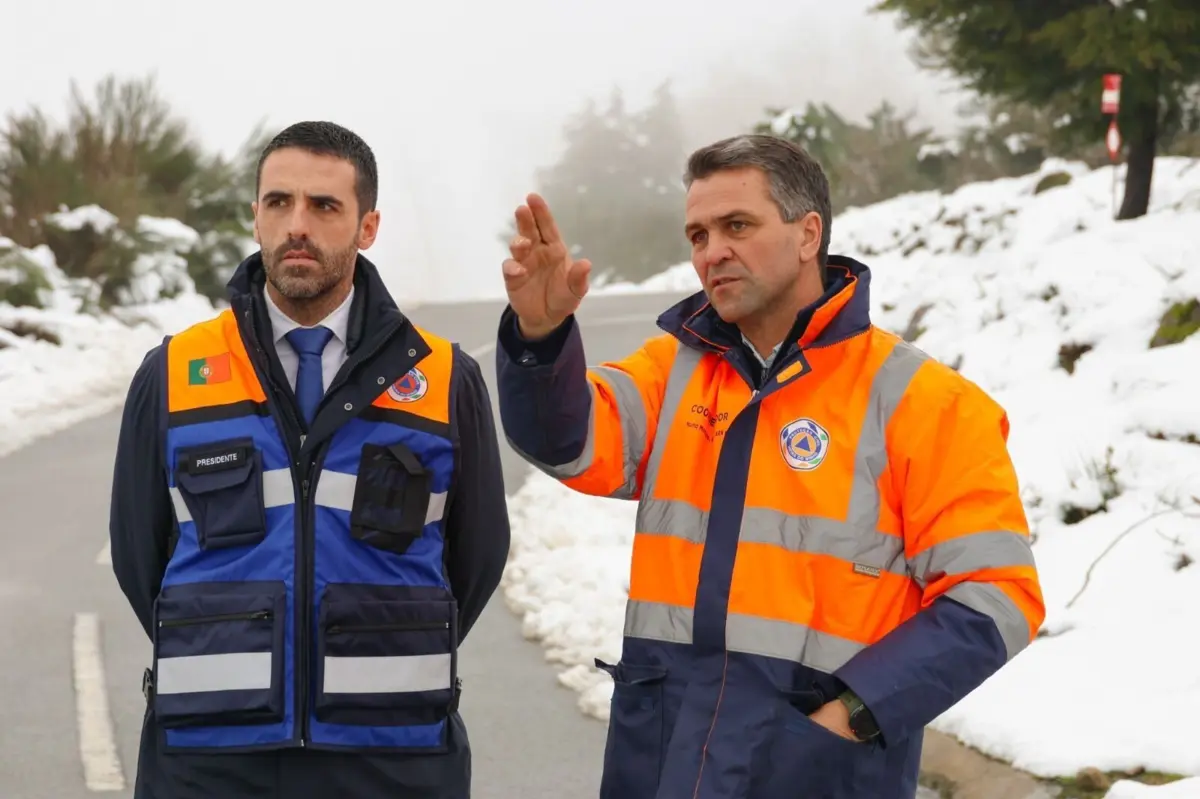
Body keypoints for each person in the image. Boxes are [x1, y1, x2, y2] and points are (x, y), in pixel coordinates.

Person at [494, 133, 1045, 799]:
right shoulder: (674, 372)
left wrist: (853, 714)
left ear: (808, 233)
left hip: (816, 774)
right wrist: (542, 337)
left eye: (737, 225)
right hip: (663, 763)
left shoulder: (925, 402)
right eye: (698, 235)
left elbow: (997, 595)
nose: (712, 252)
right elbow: (568, 442)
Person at [109, 120, 510, 799]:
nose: (297, 225)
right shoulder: (174, 372)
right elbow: (137, 553)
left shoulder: (444, 379)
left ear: (367, 226)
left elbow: (477, 556)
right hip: (209, 762)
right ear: (256, 216)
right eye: (279, 202)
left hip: (393, 760)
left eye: (324, 205)